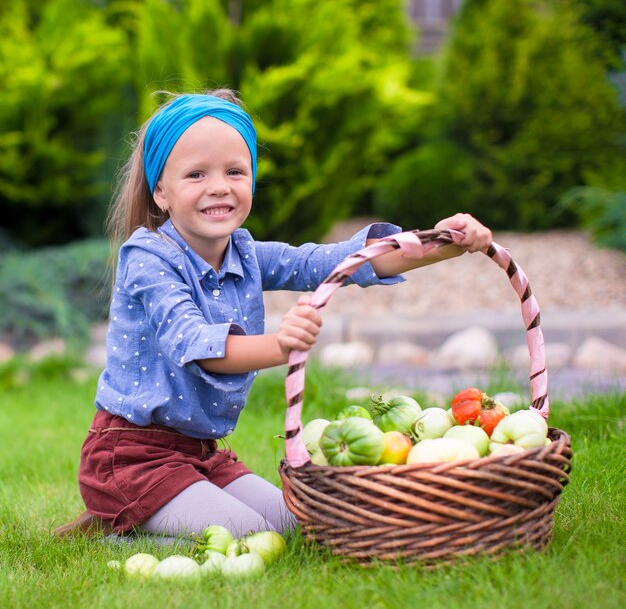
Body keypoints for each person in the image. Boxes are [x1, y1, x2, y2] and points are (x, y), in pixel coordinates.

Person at [54, 89, 491, 542]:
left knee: (298, 528)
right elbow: (195, 345)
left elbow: (335, 262)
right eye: (196, 174)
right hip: (131, 457)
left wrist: (446, 243)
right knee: (253, 538)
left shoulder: (244, 252)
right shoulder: (148, 256)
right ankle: (122, 526)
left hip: (199, 454)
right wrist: (280, 345)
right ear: (160, 191)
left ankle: (146, 514)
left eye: (235, 171)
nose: (219, 186)